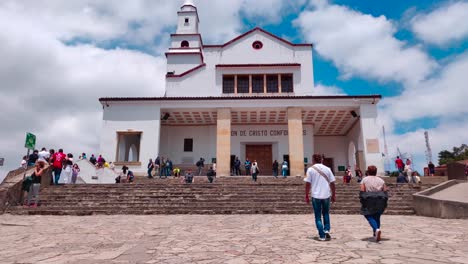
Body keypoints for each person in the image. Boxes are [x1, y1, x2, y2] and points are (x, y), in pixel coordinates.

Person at [304, 154, 336, 241]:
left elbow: (308, 184)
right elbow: (332, 183)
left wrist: (306, 194)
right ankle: (326, 230)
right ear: (321, 160)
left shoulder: (310, 170)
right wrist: (333, 194)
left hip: (315, 195)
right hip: (326, 195)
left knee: (318, 216)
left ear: (313, 160)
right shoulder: (328, 169)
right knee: (326, 213)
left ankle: (321, 235)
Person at [360, 165, 388, 242]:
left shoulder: (364, 180)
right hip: (380, 199)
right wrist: (385, 202)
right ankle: (376, 233)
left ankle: (376, 229)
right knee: (377, 216)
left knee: (368, 215)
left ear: (368, 171)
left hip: (369, 199)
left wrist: (362, 200)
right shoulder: (381, 180)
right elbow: (385, 190)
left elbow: (362, 190)